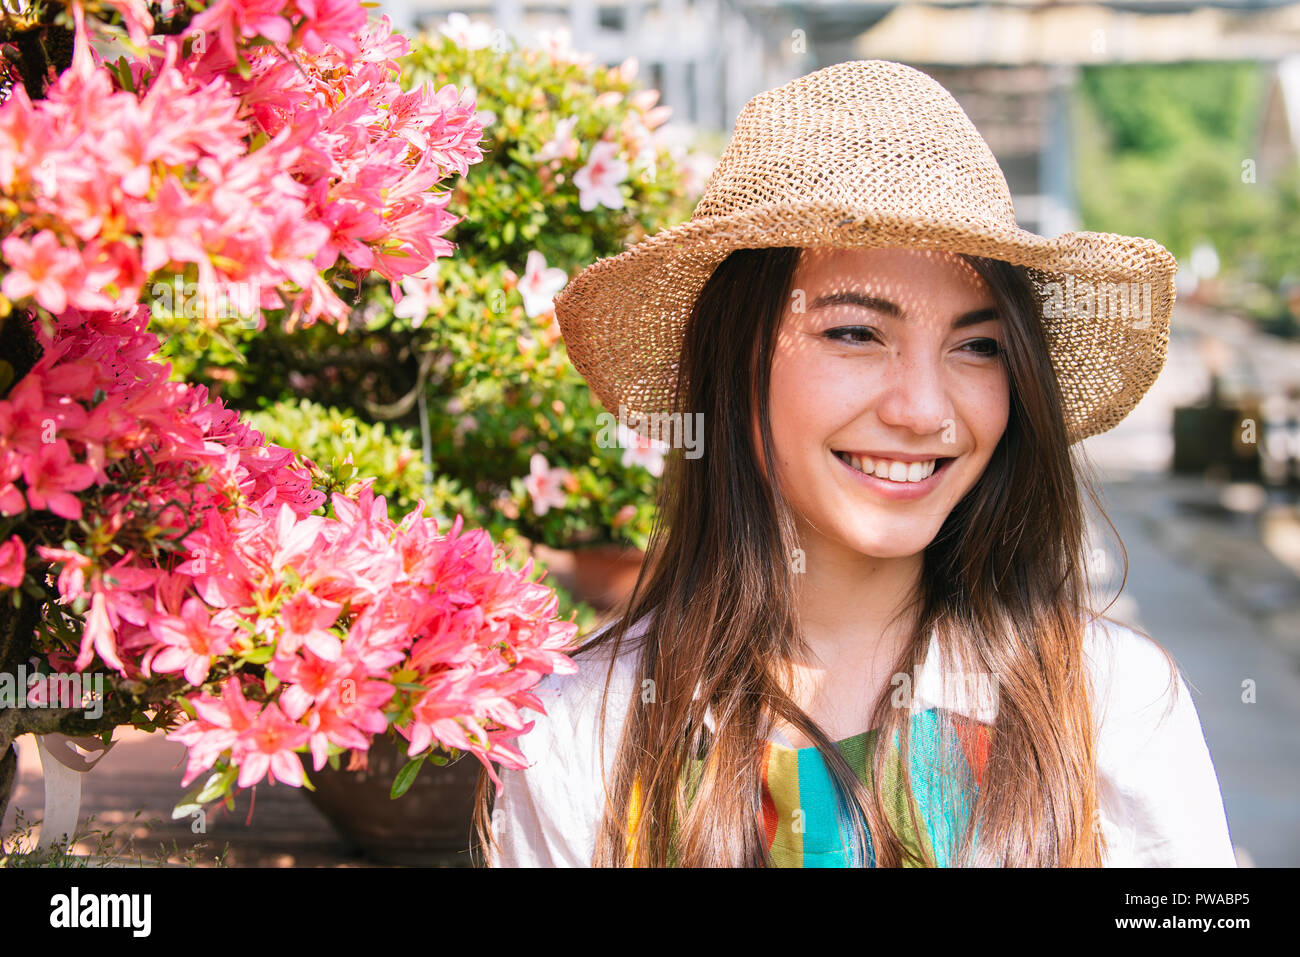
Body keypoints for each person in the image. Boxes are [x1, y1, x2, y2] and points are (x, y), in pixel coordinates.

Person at [475, 59, 1237, 867]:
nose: (923, 409)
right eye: (855, 332)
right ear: (732, 363)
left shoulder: (1106, 703)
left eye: (977, 346)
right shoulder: (584, 729)